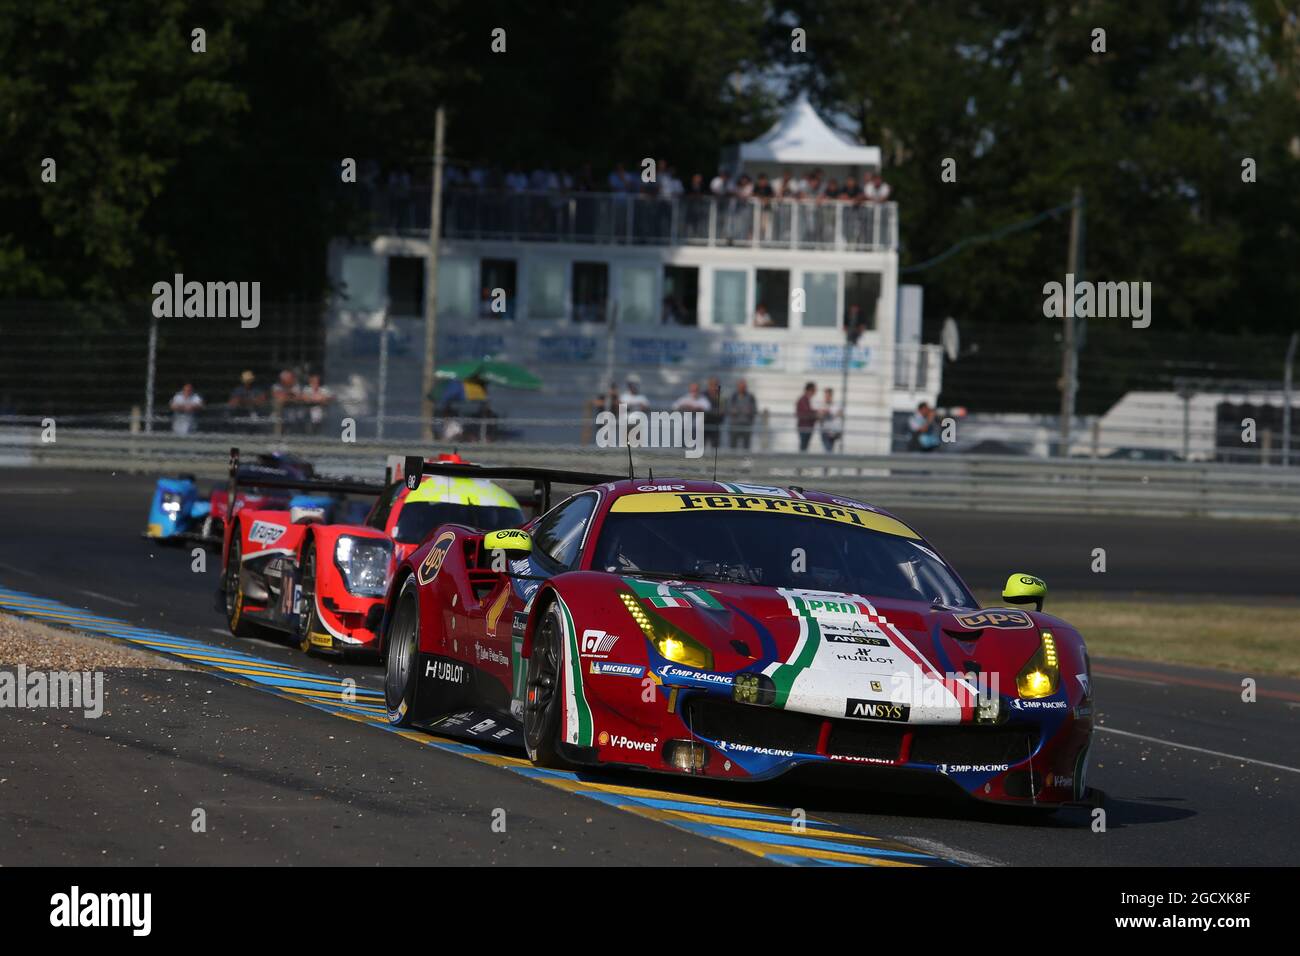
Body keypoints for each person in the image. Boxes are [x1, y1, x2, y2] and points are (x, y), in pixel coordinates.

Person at [727, 378, 757, 449]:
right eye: (740, 386)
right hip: (734, 424)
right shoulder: (733, 396)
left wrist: (750, 411)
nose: (742, 388)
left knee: (746, 446)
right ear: (737, 387)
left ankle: (745, 460)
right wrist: (733, 410)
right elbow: (728, 408)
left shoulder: (750, 397)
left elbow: (754, 409)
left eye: (743, 387)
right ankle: (732, 459)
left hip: (746, 424)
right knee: (733, 446)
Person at [272, 369, 303, 434]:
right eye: (288, 378)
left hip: (295, 415)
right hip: (280, 414)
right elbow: (279, 397)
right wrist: (291, 395)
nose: (291, 379)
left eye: (290, 378)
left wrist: (286, 396)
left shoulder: (297, 386)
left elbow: (299, 397)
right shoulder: (276, 386)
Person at [817, 387, 843, 452]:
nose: (826, 397)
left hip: (834, 432)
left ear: (831, 396)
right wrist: (823, 414)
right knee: (828, 450)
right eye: (825, 395)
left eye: (828, 395)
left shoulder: (836, 405)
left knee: (830, 449)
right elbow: (819, 418)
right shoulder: (822, 405)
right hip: (825, 432)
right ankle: (828, 461)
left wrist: (830, 413)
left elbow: (839, 414)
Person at [795, 382, 818, 452]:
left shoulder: (806, 400)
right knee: (803, 447)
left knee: (804, 447)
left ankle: (802, 461)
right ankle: (801, 461)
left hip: (807, 426)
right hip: (804, 427)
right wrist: (817, 413)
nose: (815, 392)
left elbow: (808, 412)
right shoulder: (803, 400)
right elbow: (807, 413)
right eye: (814, 390)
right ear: (810, 390)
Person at [702, 377, 724, 448]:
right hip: (704, 425)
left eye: (715, 385)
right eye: (712, 385)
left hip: (716, 425)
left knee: (715, 448)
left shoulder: (721, 396)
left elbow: (722, 411)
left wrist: (709, 412)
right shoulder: (703, 395)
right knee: (701, 447)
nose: (713, 387)